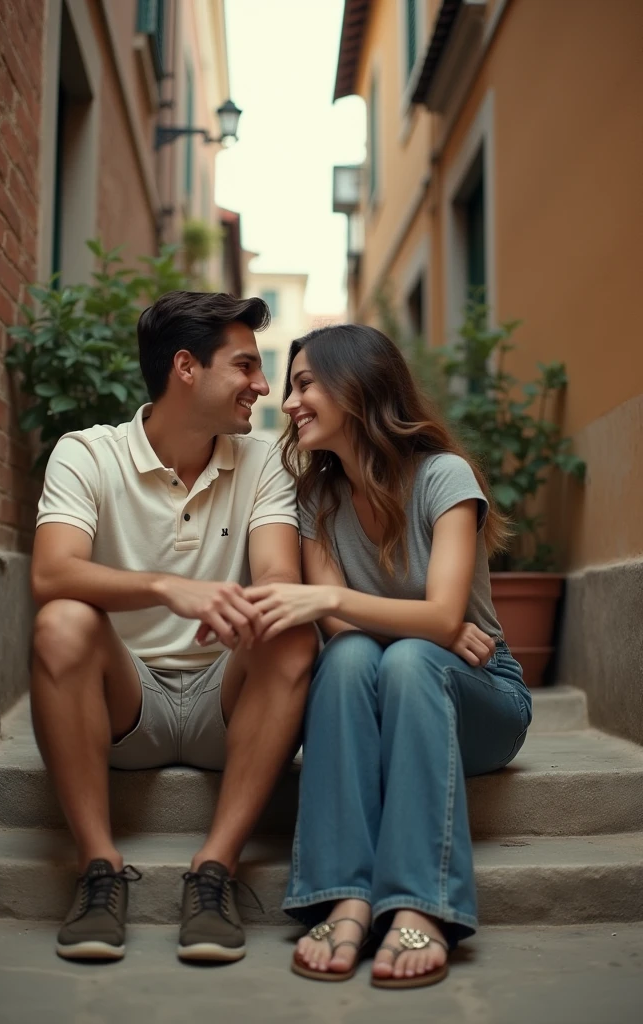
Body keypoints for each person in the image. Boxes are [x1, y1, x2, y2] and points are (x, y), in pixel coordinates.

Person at [30, 290, 317, 963]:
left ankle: (214, 871)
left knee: (291, 624)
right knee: (61, 622)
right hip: (124, 704)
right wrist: (167, 587)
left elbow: (277, 573)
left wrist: (253, 605)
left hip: (225, 701)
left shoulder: (265, 459)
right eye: (245, 367)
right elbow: (51, 573)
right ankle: (98, 870)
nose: (263, 385)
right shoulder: (87, 454)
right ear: (186, 368)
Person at [245, 324, 532, 989]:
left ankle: (418, 903)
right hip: (386, 686)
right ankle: (345, 895)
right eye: (291, 388)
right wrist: (418, 628)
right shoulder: (317, 500)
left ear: (359, 386)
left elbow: (432, 616)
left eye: (306, 384)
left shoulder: (443, 477)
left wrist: (396, 621)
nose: (290, 403)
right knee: (353, 662)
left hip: (484, 696)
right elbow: (347, 634)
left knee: (406, 659)